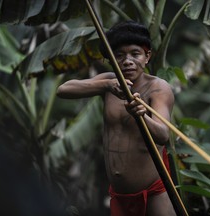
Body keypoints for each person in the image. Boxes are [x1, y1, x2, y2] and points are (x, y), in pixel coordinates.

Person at [57, 20, 176, 216]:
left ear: (147, 56)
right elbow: (64, 89)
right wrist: (106, 85)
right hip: (119, 195)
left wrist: (142, 116)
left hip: (154, 192)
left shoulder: (158, 87)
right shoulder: (109, 82)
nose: (127, 61)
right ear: (111, 60)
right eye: (119, 56)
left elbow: (163, 135)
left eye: (135, 54)